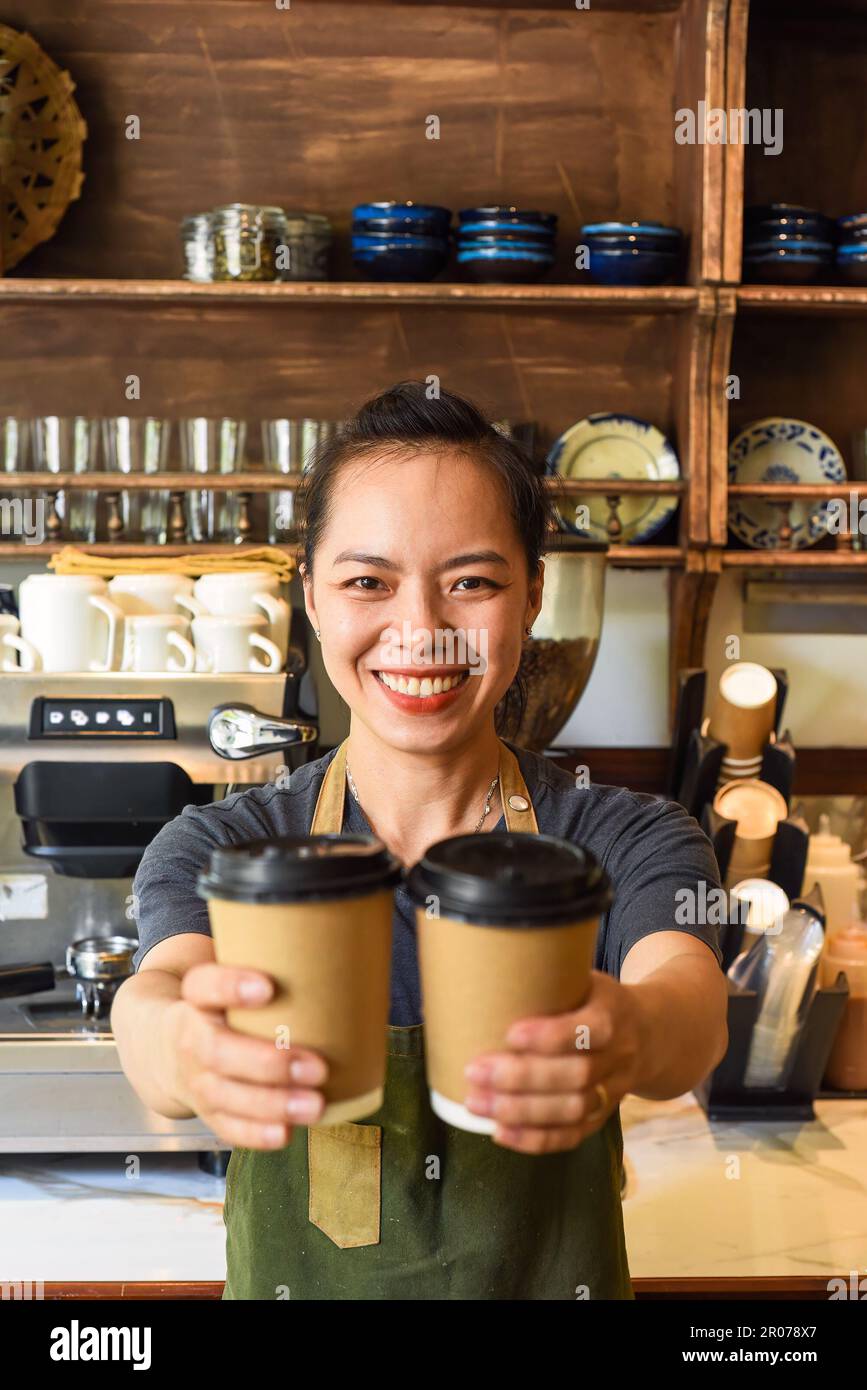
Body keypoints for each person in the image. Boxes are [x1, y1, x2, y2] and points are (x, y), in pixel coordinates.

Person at [112, 381, 728, 1300]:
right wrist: (181, 1046)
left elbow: (690, 1007)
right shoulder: (228, 844)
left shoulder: (622, 833)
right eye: (368, 581)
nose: (421, 630)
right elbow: (153, 1001)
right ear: (312, 598)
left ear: (530, 598)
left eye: (471, 582)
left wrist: (630, 1033)